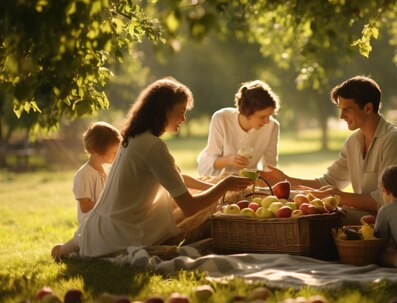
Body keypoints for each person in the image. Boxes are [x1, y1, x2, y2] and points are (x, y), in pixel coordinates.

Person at [51, 77, 253, 259]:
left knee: (62, 251)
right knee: (214, 202)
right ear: (163, 111)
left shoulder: (133, 139)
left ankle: (64, 250)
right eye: (181, 112)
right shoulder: (151, 146)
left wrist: (214, 184)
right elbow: (189, 206)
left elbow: (178, 178)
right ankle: (65, 250)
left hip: (96, 230)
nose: (184, 119)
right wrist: (224, 185)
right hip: (119, 237)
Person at [261, 76, 397, 224]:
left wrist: (339, 196)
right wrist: (286, 180)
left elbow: (390, 199)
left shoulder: (393, 140)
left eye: (347, 109)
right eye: (341, 109)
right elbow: (329, 182)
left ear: (368, 108)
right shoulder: (353, 142)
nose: (341, 116)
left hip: (389, 223)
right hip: (362, 219)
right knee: (299, 214)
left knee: (313, 222)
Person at [197, 80, 280, 177]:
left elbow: (270, 165)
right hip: (215, 180)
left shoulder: (272, 126)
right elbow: (210, 160)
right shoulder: (222, 118)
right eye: (262, 117)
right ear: (247, 112)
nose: (267, 121)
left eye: (269, 116)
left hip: (246, 182)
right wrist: (229, 160)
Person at [73, 122, 121, 223]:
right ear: (96, 150)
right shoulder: (84, 174)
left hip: (104, 222)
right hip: (90, 226)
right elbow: (85, 207)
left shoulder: (107, 170)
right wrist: (108, 199)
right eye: (113, 153)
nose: (116, 156)